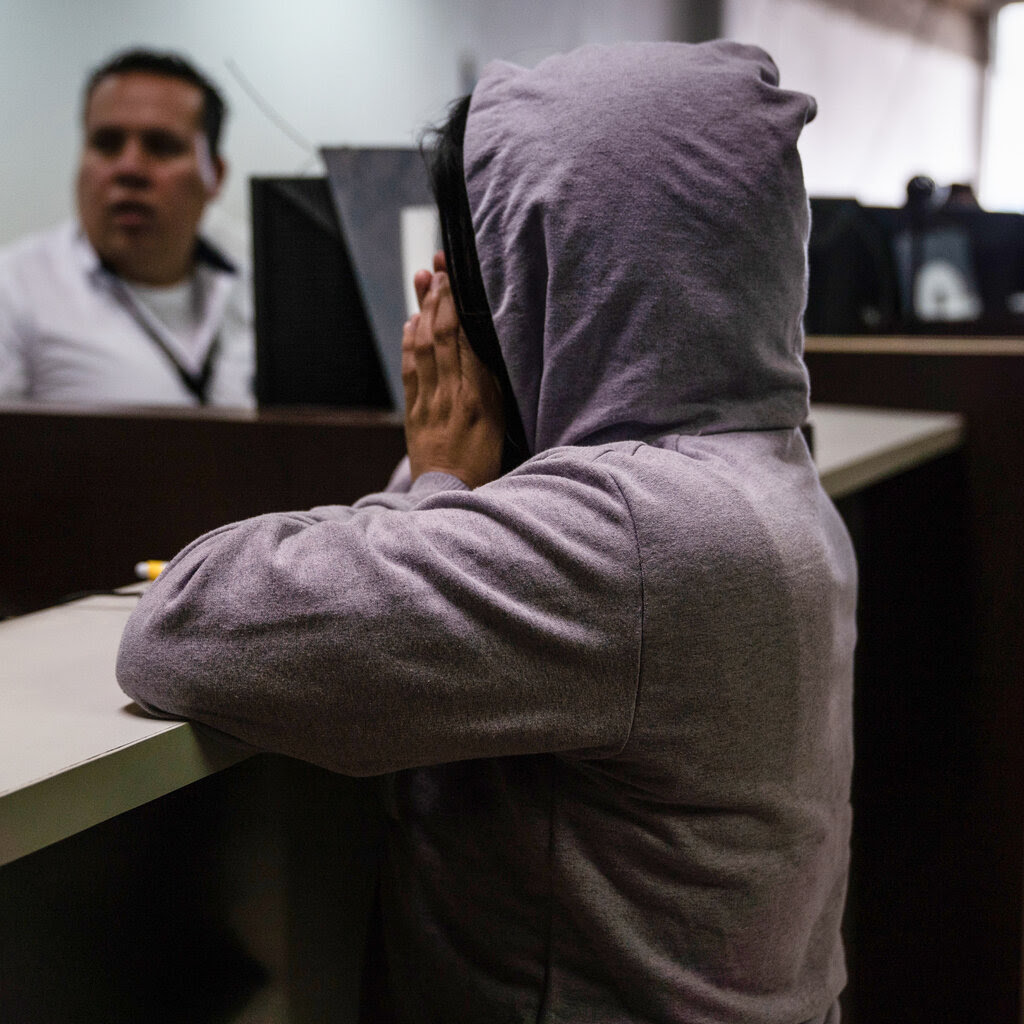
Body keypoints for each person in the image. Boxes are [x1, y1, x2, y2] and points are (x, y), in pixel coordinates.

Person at [117, 40, 857, 1024]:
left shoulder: (628, 538)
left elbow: (189, 629)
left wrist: (435, 481)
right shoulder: (762, 471)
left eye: (481, 268)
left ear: (556, 270)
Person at [0, 48, 253, 406]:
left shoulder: (259, 289)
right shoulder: (14, 289)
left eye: (162, 146)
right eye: (106, 144)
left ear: (215, 175)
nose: (129, 169)